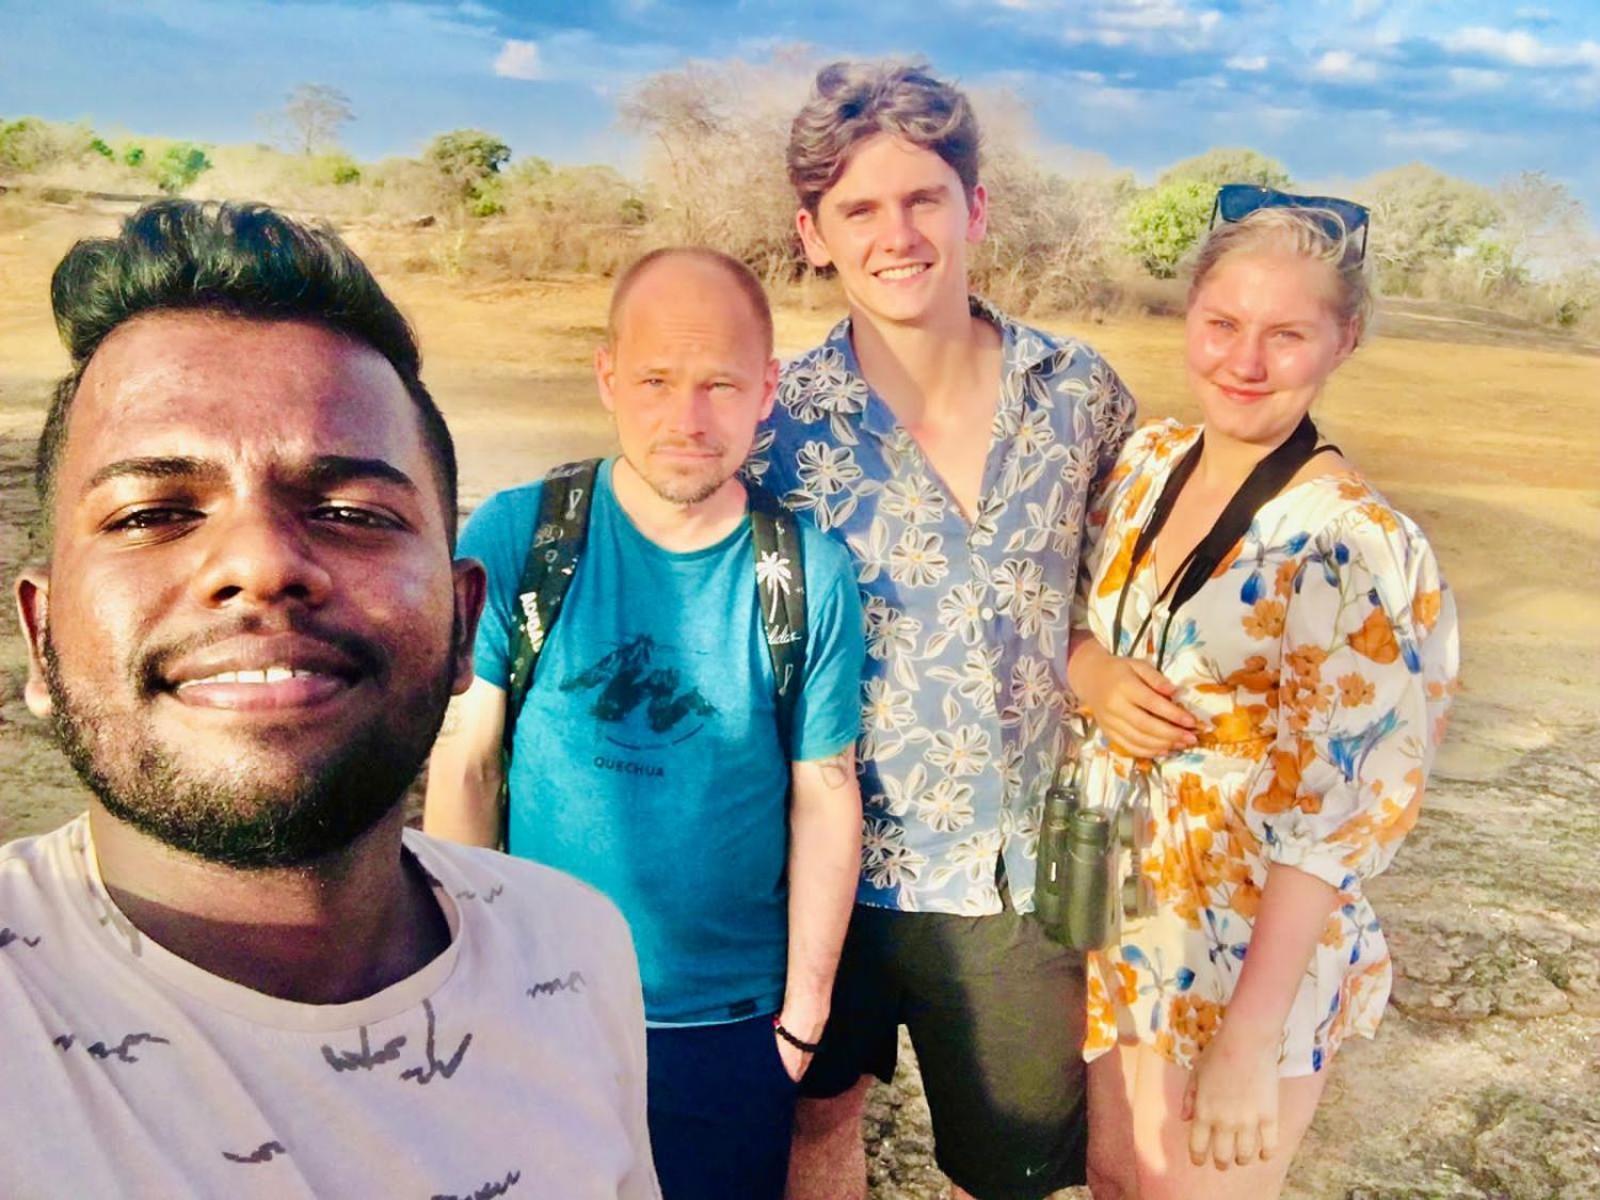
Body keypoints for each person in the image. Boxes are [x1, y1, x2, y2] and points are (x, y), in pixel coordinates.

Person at [1, 200, 659, 1199]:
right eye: (151, 512)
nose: (261, 562)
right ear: (40, 639)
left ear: (460, 624)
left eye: (352, 512)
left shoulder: (576, 950)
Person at [757, 62, 1137, 1200]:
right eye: (859, 209)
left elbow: (1102, 596)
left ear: (974, 209)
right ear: (813, 233)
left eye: (923, 198)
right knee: (813, 1132)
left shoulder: (1080, 394)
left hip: (1014, 878)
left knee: (1013, 1172)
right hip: (819, 870)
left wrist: (1087, 664)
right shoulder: (769, 426)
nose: (897, 233)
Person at [424, 247, 866, 1200]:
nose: (687, 418)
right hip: (539, 1003)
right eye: (657, 381)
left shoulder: (808, 577)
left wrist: (802, 1014)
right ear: (607, 375)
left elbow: (826, 797)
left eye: (720, 384)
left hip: (729, 1023)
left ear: (766, 390)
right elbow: (465, 765)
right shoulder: (520, 538)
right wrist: (464, 982)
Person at [1065, 195, 1459, 1199]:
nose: (1244, 361)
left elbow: (1343, 809)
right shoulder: (1144, 461)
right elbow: (1053, 615)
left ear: (1344, 339)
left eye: (1285, 334)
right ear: (1187, 315)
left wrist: (1250, 1035)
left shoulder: (1354, 540)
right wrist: (1090, 672)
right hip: (1116, 905)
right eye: (1222, 324)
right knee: (1113, 1182)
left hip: (1241, 946)